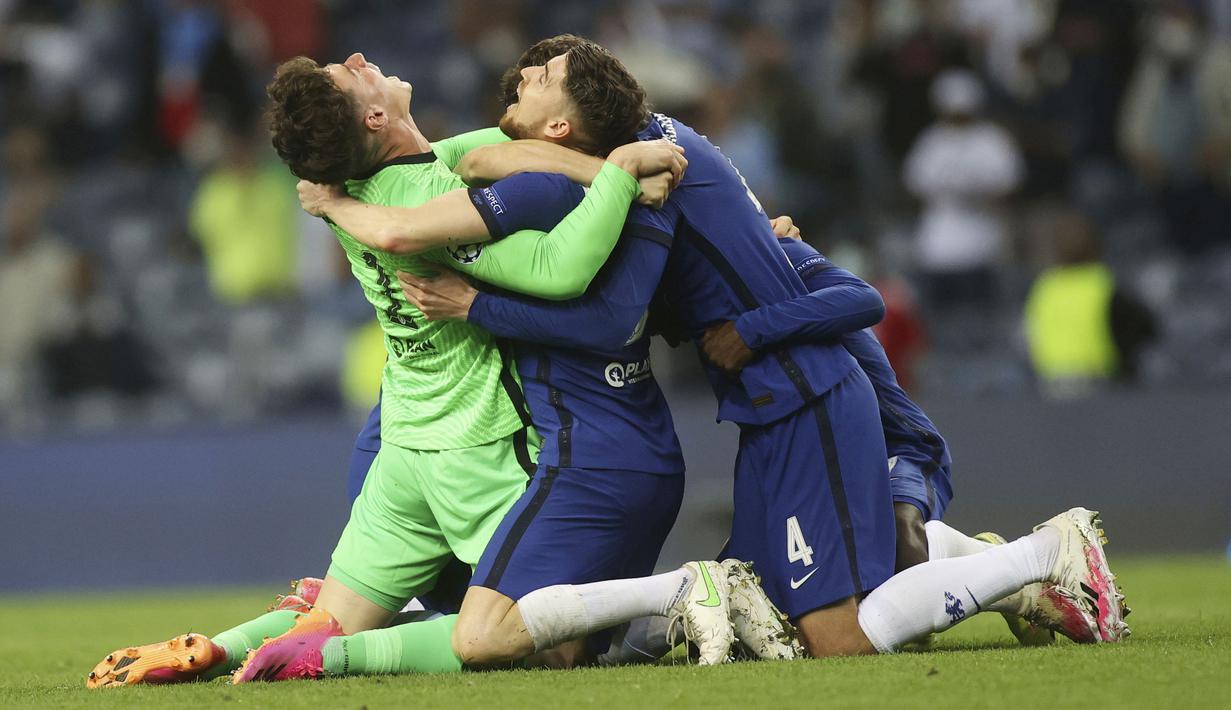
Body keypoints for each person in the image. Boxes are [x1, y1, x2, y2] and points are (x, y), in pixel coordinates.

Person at [317, 35, 1128, 657]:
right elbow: (487, 155)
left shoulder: (649, 179)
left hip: (801, 393)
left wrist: (473, 301)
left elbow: (606, 321)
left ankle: (1042, 556)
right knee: (771, 616)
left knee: (834, 638)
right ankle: (979, 563)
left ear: (566, 124)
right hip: (773, 404)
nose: (519, 84)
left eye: (537, 81)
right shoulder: (658, 148)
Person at [86, 49, 738, 688]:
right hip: (475, 444)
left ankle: (215, 649)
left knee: (334, 614)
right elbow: (556, 269)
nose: (363, 57)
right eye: (355, 74)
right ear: (373, 120)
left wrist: (591, 170)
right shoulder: (429, 204)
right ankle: (677, 596)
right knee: (535, 641)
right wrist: (619, 171)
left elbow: (489, 151)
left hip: (403, 445)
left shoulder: (372, 183)